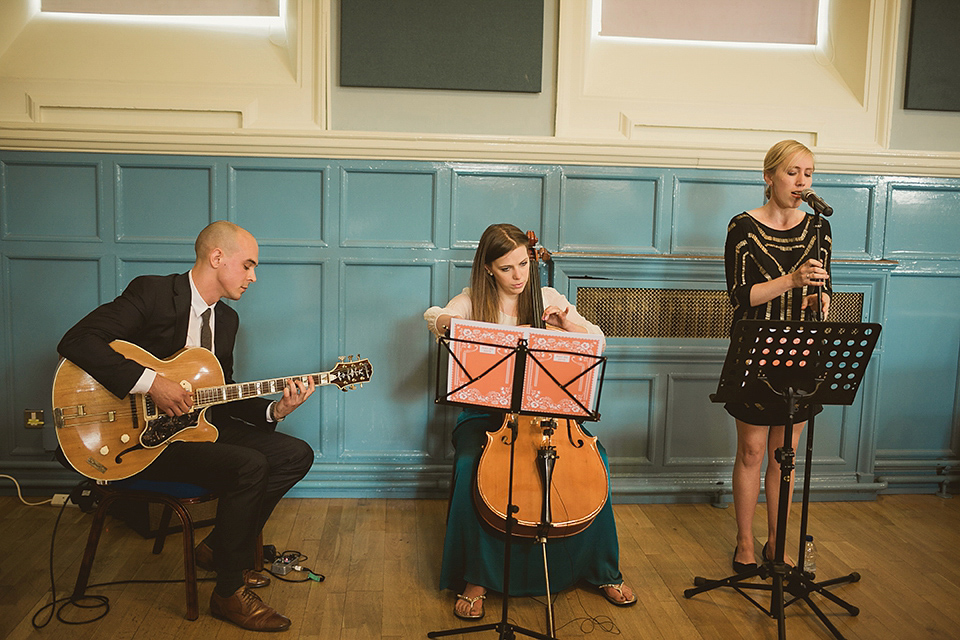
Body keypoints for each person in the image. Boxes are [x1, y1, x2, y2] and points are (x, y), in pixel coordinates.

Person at [57, 220, 316, 632]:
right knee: (248, 466)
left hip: (194, 430)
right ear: (217, 258)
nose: (254, 277)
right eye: (247, 265)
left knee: (294, 453)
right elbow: (77, 341)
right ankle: (229, 592)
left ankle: (217, 548)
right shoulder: (154, 293)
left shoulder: (226, 321)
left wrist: (274, 412)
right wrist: (152, 382)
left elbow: (221, 393)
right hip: (141, 442)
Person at [424, 223, 636, 620]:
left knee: (599, 460)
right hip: (487, 416)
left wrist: (569, 325)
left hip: (547, 412)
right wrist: (478, 330)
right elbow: (435, 317)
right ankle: (477, 578)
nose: (520, 276)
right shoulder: (472, 300)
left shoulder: (550, 297)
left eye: (524, 264)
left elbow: (598, 340)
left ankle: (601, 568)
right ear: (488, 269)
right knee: (473, 465)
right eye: (507, 268)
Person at [724, 140, 832, 572]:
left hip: (801, 350)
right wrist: (791, 280)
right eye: (792, 172)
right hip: (755, 348)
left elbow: (826, 290)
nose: (801, 181)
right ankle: (745, 542)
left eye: (807, 172)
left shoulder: (818, 228)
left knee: (783, 454)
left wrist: (820, 302)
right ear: (769, 177)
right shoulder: (742, 227)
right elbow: (740, 296)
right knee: (752, 451)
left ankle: (776, 542)